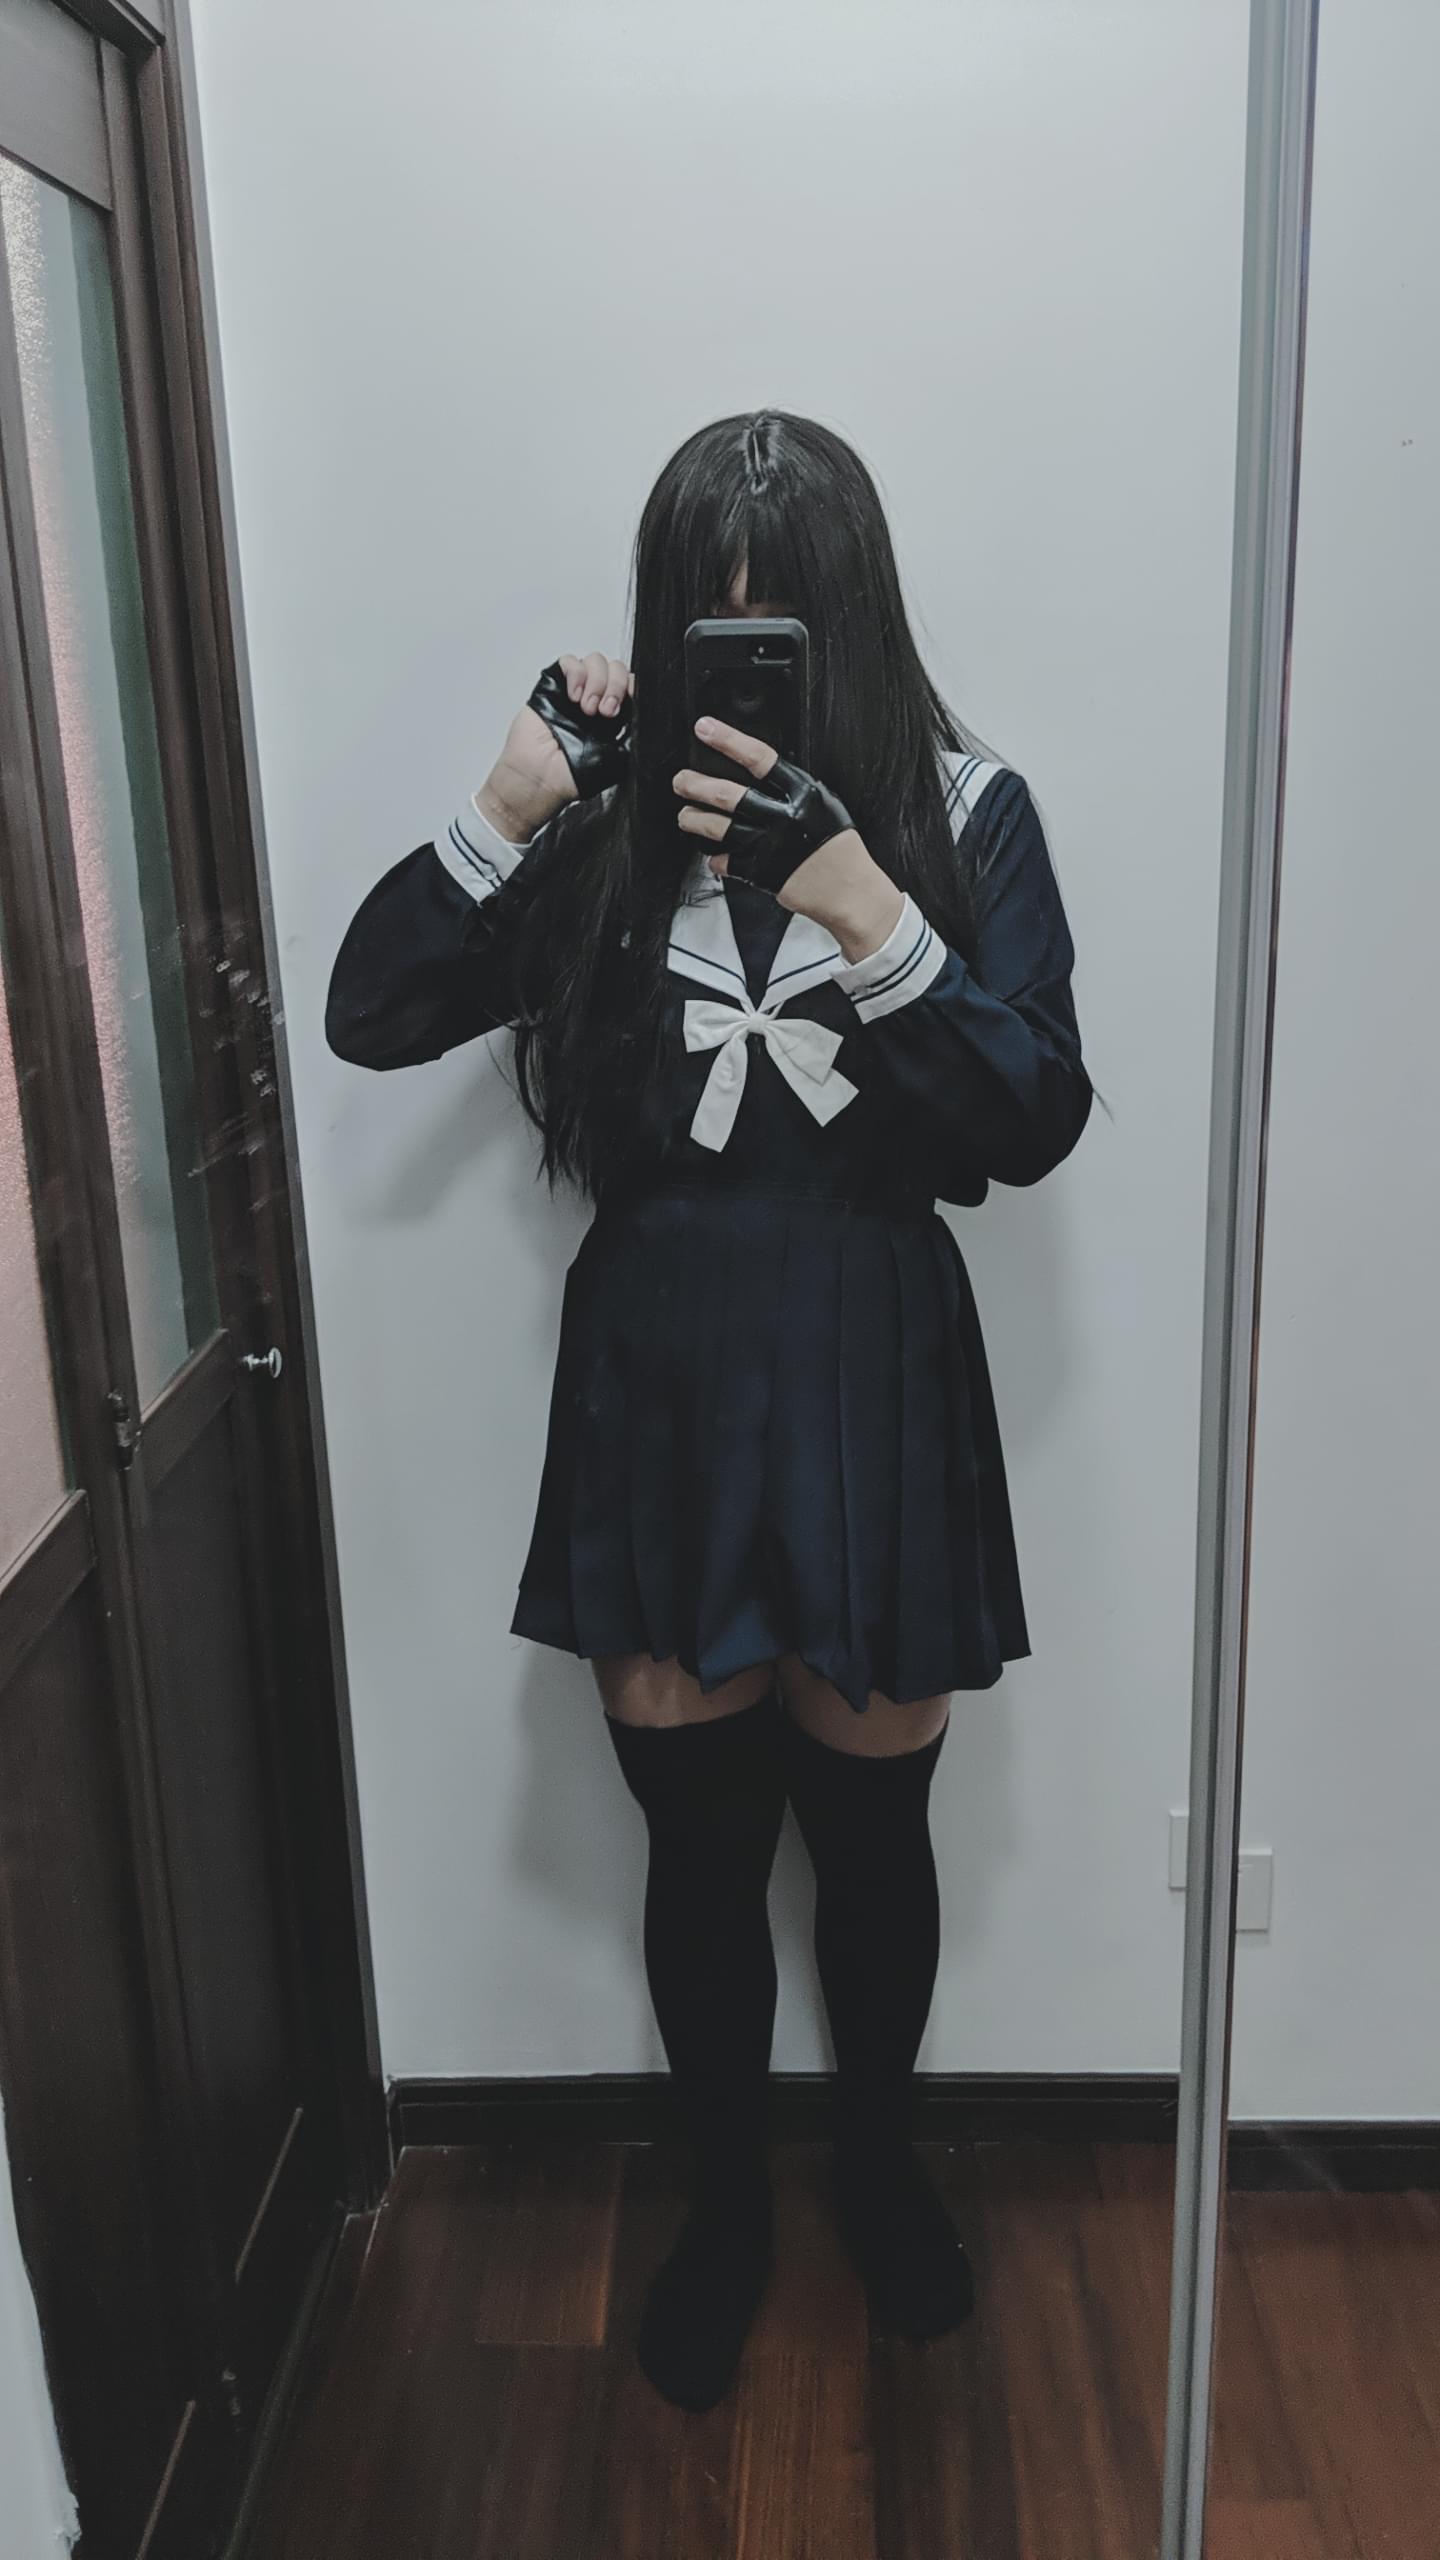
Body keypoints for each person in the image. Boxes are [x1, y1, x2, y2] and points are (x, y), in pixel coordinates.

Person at [325, 408, 1094, 2414]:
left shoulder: (964, 807)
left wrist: (860, 899)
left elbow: (1034, 1115)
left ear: (852, 620)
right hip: (661, 1365)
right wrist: (514, 795)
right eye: (710, 622)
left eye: (784, 625)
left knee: (874, 1831)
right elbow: (372, 1010)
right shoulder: (605, 819)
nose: (747, 670)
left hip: (871, 1350)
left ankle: (878, 2168)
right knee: (698, 1838)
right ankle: (728, 2207)